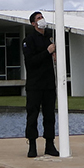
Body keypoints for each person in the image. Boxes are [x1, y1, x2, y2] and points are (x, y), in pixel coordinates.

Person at [22, 11, 59, 158]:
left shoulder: (49, 38)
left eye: (42, 17)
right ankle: (32, 146)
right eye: (38, 18)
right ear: (33, 23)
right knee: (32, 116)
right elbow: (30, 62)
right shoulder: (29, 40)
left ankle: (50, 144)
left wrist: (55, 55)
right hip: (34, 85)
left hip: (49, 84)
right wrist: (47, 52)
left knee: (49, 116)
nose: (41, 20)